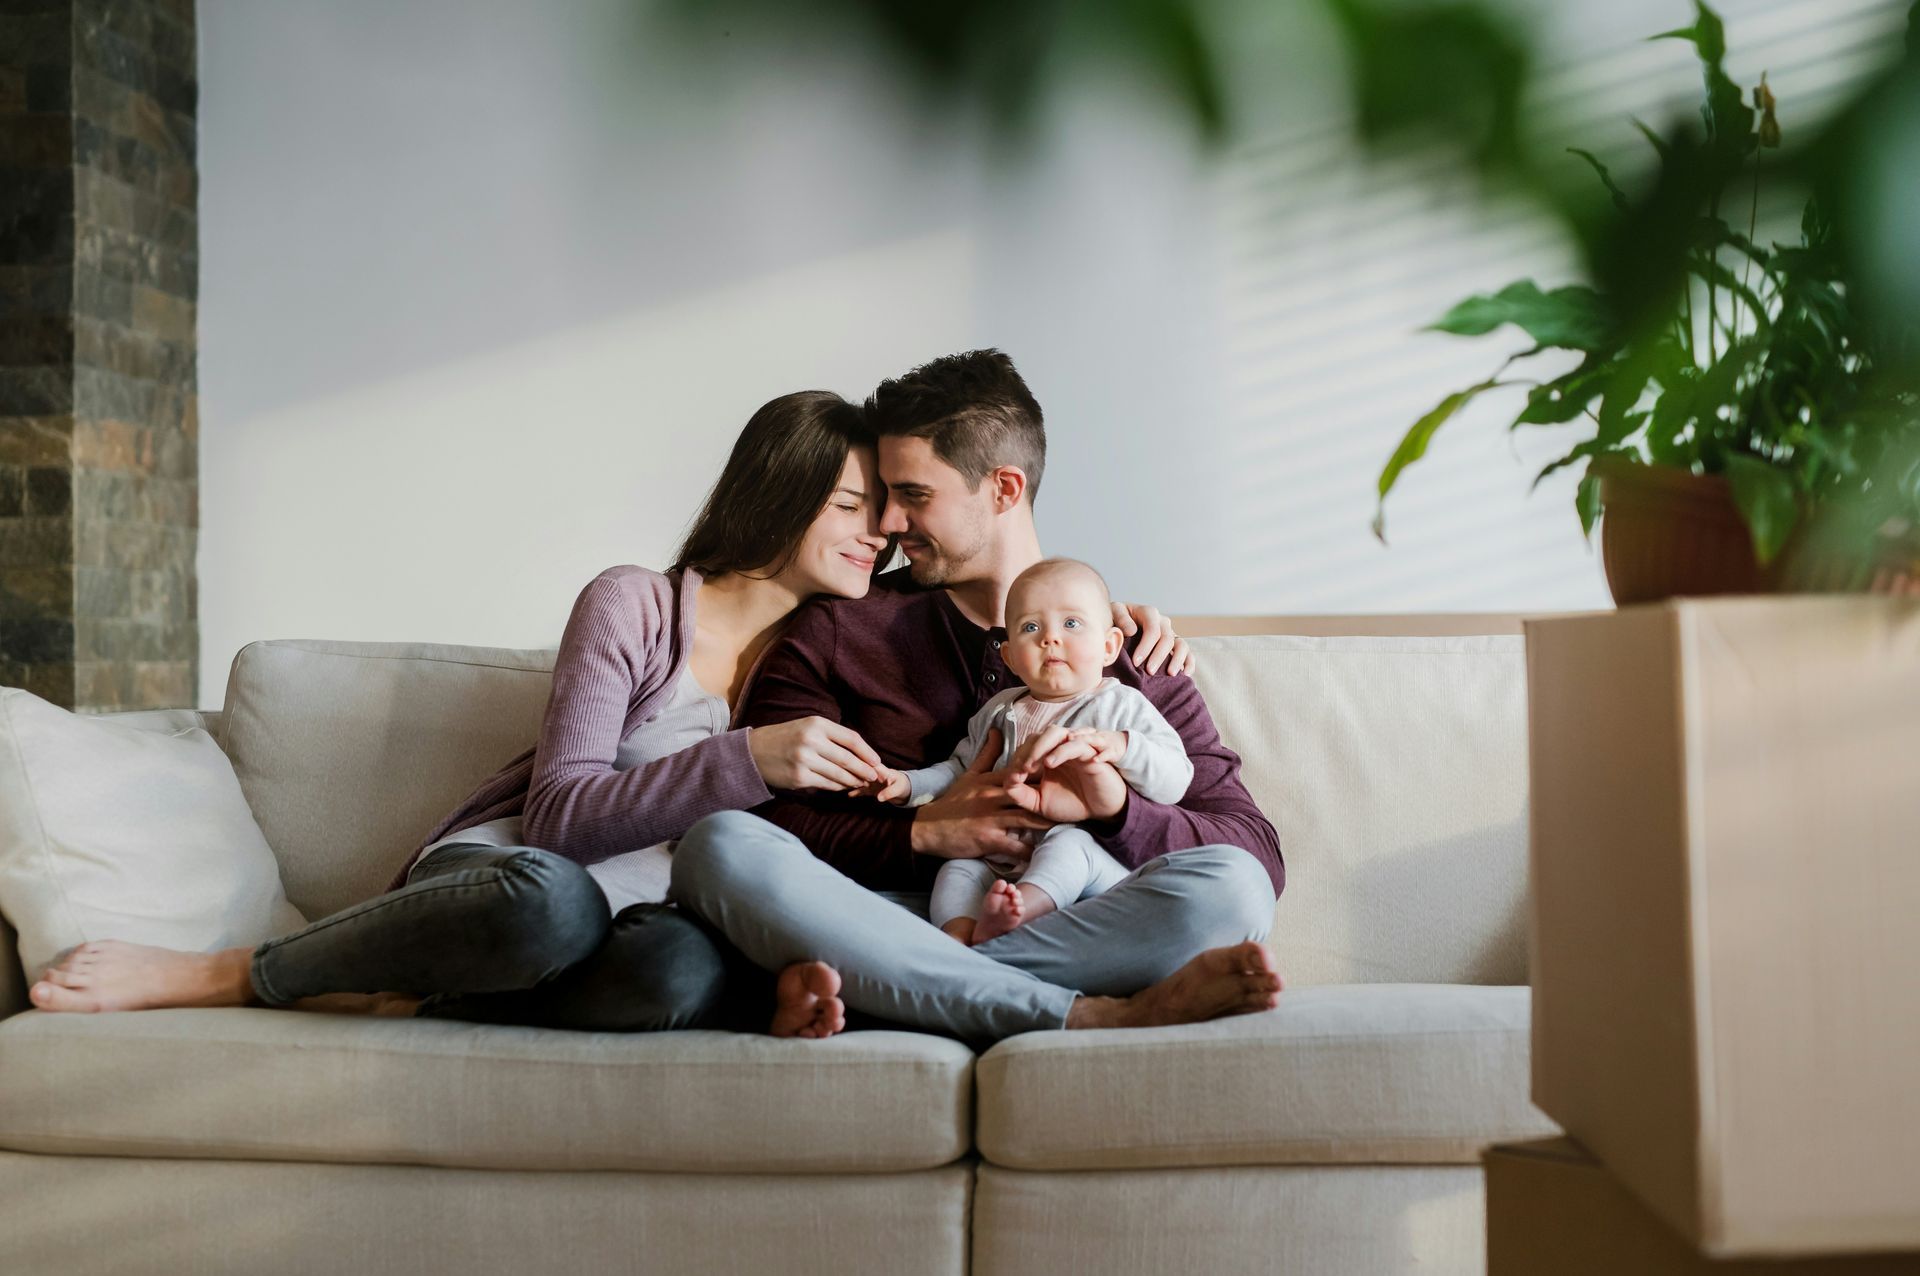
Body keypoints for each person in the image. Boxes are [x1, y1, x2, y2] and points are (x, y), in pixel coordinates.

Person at [27, 388, 1192, 1038]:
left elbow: (1012, 636)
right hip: (518, 879)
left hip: (650, 930)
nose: (882, 530)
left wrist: (1112, 630)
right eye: (854, 505)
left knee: (681, 978)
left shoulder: (830, 651)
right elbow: (563, 814)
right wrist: (746, 756)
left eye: (889, 512)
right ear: (779, 498)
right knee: (547, 906)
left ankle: (421, 993)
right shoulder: (635, 606)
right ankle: (243, 973)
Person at [670, 349, 1287, 1044]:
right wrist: (920, 833)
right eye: (884, 498)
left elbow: (1255, 851)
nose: (889, 526)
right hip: (899, 912)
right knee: (717, 844)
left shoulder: (1125, 648)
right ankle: (1077, 1011)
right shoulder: (842, 626)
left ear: (1003, 488)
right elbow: (762, 816)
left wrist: (1116, 809)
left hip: (1078, 919)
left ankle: (908, 991)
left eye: (914, 495)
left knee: (1233, 888)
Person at [866, 556, 1191, 946]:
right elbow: (958, 769)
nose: (1050, 638)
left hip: (1089, 861)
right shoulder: (1001, 708)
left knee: (1071, 845)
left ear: (1109, 647)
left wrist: (1122, 746)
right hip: (999, 854)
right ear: (1010, 658)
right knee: (957, 869)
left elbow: (1176, 780)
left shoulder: (1122, 706)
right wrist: (905, 784)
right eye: (1030, 627)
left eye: (1071, 624)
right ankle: (958, 939)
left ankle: (1023, 912)